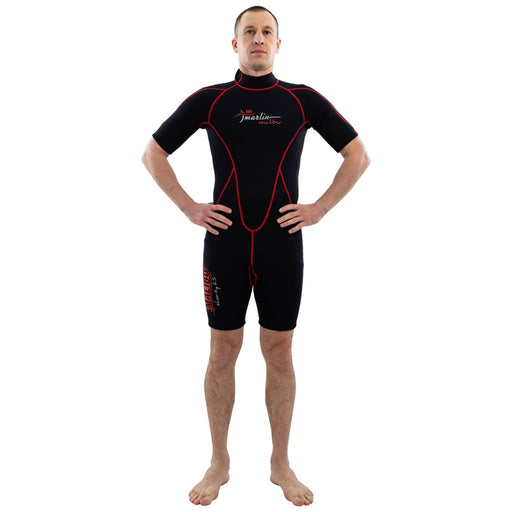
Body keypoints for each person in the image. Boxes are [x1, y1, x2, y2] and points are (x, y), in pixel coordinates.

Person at [142, 5, 370, 507]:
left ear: (279, 44)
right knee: (222, 350)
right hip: (224, 245)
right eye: (250, 31)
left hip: (281, 247)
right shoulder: (211, 100)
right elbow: (153, 153)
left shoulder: (301, 100)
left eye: (268, 31)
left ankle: (280, 463)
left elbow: (357, 154)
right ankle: (219, 462)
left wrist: (320, 208)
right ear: (236, 44)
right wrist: (188, 207)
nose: (259, 38)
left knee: (279, 351)